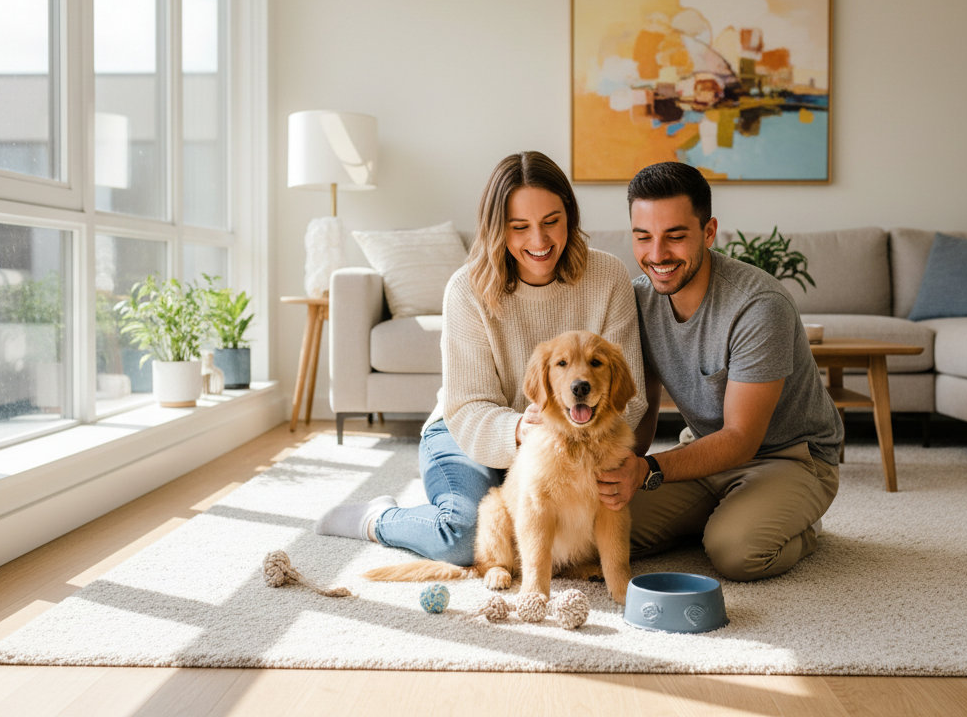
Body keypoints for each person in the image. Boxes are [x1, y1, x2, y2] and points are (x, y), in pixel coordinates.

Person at [318, 151, 648, 565]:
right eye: (519, 227)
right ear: (497, 229)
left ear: (570, 216)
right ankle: (379, 518)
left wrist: (571, 444)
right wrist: (519, 430)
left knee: (619, 531)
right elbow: (466, 406)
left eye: (551, 222)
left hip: (570, 444)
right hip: (467, 437)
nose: (539, 242)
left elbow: (628, 395)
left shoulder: (610, 277)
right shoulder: (466, 290)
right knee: (463, 536)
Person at [596, 161, 842, 581]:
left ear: (708, 232)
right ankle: (721, 515)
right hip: (704, 454)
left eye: (675, 236)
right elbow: (644, 408)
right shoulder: (637, 298)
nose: (657, 255)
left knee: (737, 554)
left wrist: (651, 471)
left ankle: (799, 525)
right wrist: (622, 471)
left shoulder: (759, 305)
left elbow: (742, 438)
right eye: (644, 237)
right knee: (594, 529)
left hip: (791, 458)